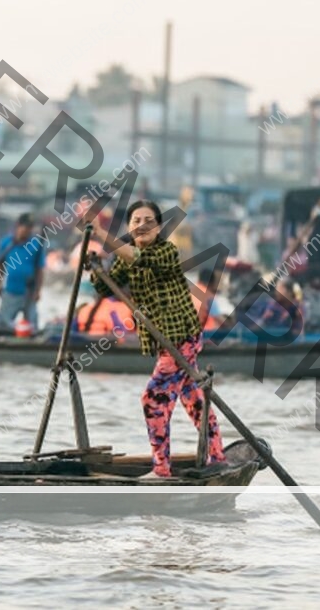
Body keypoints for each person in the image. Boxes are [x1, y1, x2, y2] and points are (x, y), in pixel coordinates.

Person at [91, 200, 225, 479]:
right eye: (136, 221)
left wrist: (101, 233)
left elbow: (138, 260)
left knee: (151, 400)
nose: (142, 226)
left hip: (180, 337)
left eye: (148, 220)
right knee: (193, 399)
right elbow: (105, 287)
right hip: (166, 341)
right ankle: (217, 454)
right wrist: (94, 266)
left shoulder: (166, 251)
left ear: (159, 226)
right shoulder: (126, 257)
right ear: (129, 227)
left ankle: (161, 469)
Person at [0, 214, 46, 331]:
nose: (27, 231)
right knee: (3, 323)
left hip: (29, 292)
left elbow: (39, 270)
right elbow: (0, 266)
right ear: (18, 226)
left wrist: (38, 291)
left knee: (31, 326)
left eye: (30, 228)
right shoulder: (6, 243)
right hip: (10, 291)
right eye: (25, 227)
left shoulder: (35, 245)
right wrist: (0, 285)